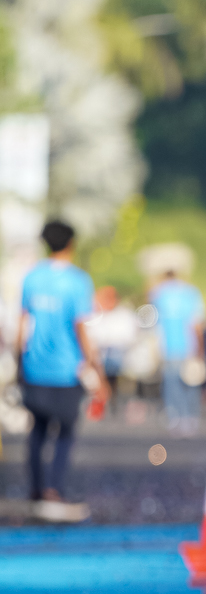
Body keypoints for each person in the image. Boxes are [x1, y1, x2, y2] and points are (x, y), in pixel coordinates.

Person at [18, 219, 100, 511]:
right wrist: (94, 365)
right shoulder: (78, 281)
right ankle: (54, 489)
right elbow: (81, 328)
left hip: (34, 366)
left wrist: (19, 360)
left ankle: (36, 489)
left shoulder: (32, 278)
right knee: (65, 433)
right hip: (66, 370)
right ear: (71, 243)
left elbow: (23, 323)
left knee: (37, 430)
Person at [149, 267, 206, 430]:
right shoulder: (190, 292)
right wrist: (200, 348)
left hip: (168, 347)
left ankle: (175, 417)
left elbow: (154, 323)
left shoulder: (158, 293)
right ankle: (190, 417)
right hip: (188, 345)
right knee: (190, 383)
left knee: (172, 385)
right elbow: (196, 323)